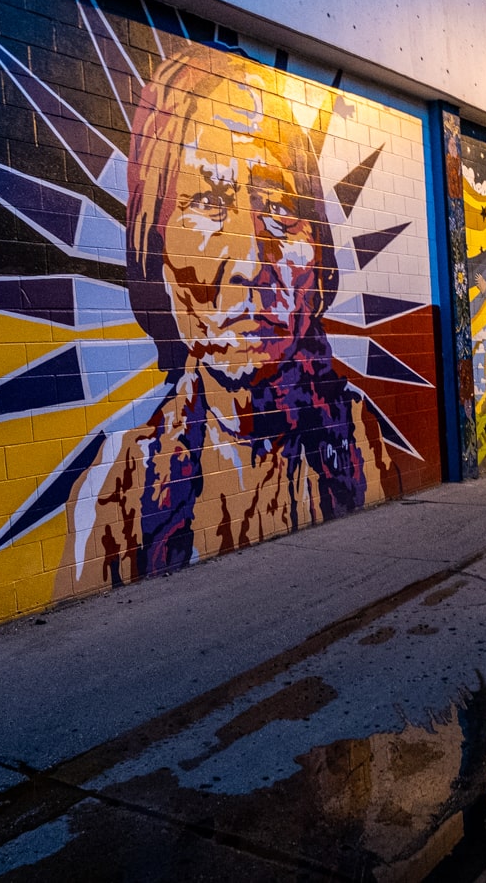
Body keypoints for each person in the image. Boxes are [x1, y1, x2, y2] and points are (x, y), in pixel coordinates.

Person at [68, 46, 398, 584]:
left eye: (279, 208)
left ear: (317, 252)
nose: (249, 262)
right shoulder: (117, 490)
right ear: (157, 255)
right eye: (207, 202)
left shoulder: (357, 434)